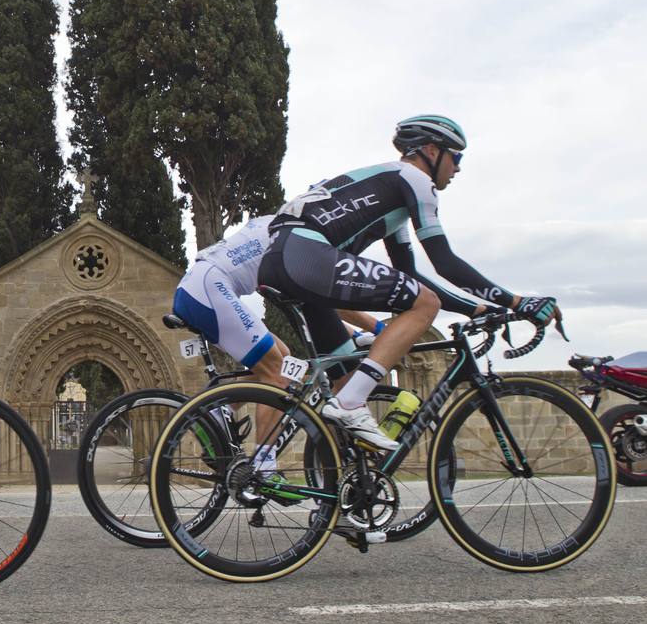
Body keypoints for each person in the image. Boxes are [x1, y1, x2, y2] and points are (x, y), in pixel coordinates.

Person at [257, 115, 560, 449]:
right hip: (304, 256)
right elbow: (445, 263)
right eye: (456, 157)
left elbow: (411, 274)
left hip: (284, 260)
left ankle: (303, 473)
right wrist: (517, 302)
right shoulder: (414, 179)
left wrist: (476, 308)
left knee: (346, 377)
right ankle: (349, 405)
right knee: (424, 304)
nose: (457, 168)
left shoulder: (389, 197)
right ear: (431, 151)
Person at [173, 214, 384, 479]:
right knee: (276, 372)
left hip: (203, 285)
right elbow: (327, 300)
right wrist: (379, 330)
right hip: (209, 288)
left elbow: (315, 306)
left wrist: (352, 334)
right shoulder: (301, 238)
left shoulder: (283, 224)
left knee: (282, 362)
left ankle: (219, 410)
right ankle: (263, 464)